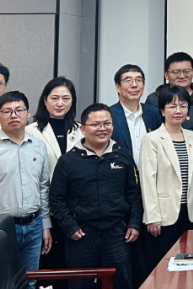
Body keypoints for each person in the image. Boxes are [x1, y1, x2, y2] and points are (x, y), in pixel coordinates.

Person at [49, 103, 142, 289]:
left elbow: (134, 194)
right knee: (81, 284)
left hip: (117, 233)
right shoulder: (68, 161)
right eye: (96, 124)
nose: (102, 128)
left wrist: (134, 223)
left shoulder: (122, 156)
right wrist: (70, 227)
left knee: (120, 282)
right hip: (81, 235)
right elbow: (57, 199)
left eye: (107, 123)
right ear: (83, 129)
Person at [0, 91, 52, 289]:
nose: (14, 115)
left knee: (30, 281)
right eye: (7, 111)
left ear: (28, 114)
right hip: (1, 229)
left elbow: (43, 188)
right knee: (2, 284)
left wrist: (46, 225)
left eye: (19, 110)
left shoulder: (39, 147)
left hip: (34, 226)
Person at [25, 77, 84, 288]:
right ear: (45, 100)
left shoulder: (82, 130)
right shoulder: (31, 131)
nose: (60, 103)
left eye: (66, 98)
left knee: (76, 272)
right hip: (47, 210)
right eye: (55, 98)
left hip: (77, 211)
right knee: (50, 269)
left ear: (72, 101)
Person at [139, 86, 193, 277]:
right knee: (163, 269)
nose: (178, 111)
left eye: (183, 106)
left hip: (188, 213)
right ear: (162, 110)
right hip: (163, 215)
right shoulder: (152, 139)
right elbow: (147, 180)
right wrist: (152, 216)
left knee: (187, 267)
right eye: (172, 106)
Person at [109, 64, 162, 170]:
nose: (134, 85)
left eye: (138, 80)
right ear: (117, 87)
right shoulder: (109, 115)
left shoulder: (154, 113)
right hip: (120, 176)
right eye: (128, 80)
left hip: (151, 175)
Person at [146, 52, 193, 133]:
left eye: (186, 71)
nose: (182, 76)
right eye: (176, 72)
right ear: (166, 75)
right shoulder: (153, 99)